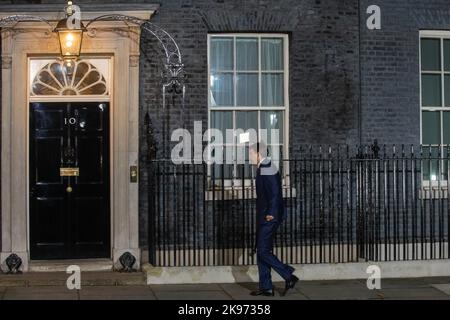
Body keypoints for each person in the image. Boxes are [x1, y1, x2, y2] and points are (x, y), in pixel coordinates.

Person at [249, 142, 299, 296]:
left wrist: (271, 212)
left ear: (259, 154)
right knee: (262, 251)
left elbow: (276, 192)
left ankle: (288, 275)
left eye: (250, 153)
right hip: (265, 215)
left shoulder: (268, 168)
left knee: (263, 251)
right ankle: (266, 287)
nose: (249, 156)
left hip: (269, 216)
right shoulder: (263, 167)